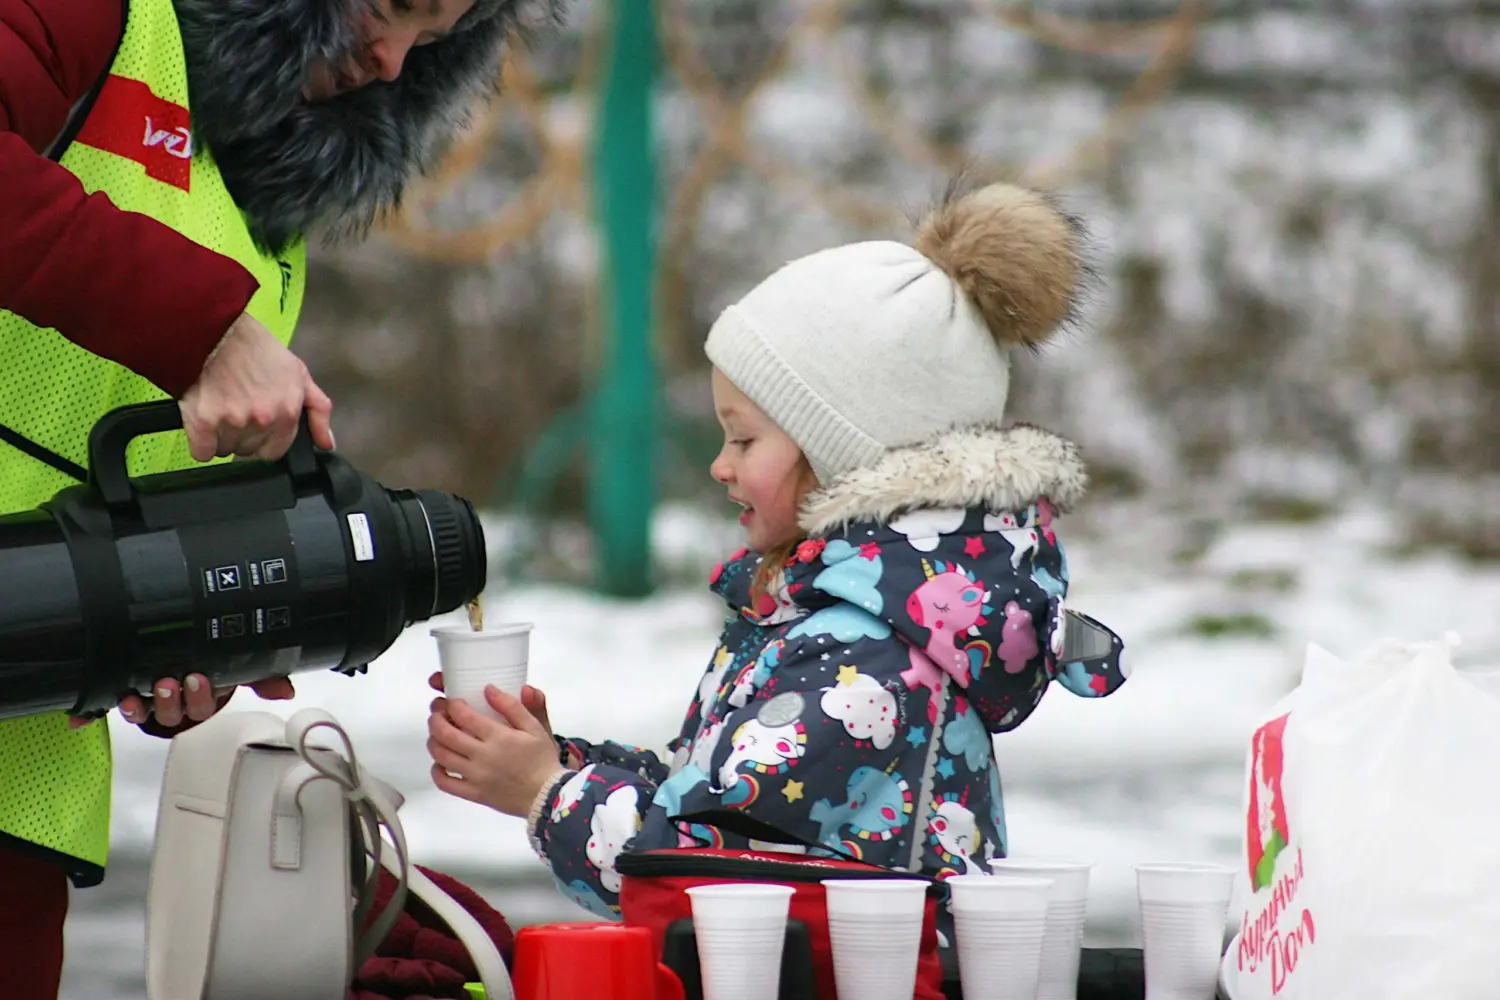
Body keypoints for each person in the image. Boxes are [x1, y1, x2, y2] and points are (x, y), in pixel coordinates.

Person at [0, 0, 546, 992]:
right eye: (390, 8)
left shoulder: (267, 192)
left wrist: (169, 635)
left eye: (432, 43)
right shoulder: (105, 21)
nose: (388, 64)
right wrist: (199, 327)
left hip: (22, 767)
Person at [424, 183, 1130, 925]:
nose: (720, 466)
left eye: (745, 438)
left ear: (842, 454)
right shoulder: (831, 618)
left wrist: (542, 790)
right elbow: (712, 800)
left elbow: (698, 872)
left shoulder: (871, 658)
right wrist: (554, 760)